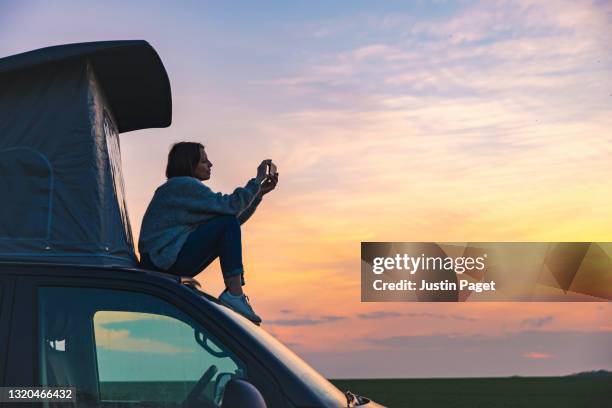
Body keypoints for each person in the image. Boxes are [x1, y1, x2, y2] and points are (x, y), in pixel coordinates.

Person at [138, 142, 278, 323]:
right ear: (190, 163)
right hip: (162, 261)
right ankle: (235, 294)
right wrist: (256, 181)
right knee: (226, 222)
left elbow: (232, 222)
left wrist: (258, 194)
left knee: (227, 223)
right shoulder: (182, 185)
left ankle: (234, 295)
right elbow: (231, 209)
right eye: (204, 161)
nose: (210, 164)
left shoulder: (183, 189)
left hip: (163, 260)